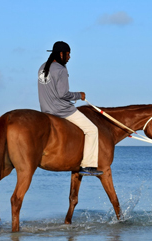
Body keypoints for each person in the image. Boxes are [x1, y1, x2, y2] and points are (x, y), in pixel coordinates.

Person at [38, 41, 103, 176]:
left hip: (45, 111)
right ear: (61, 54)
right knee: (92, 130)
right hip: (62, 111)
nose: (69, 57)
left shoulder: (42, 68)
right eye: (68, 54)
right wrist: (79, 95)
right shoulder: (61, 69)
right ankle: (88, 165)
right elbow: (63, 94)